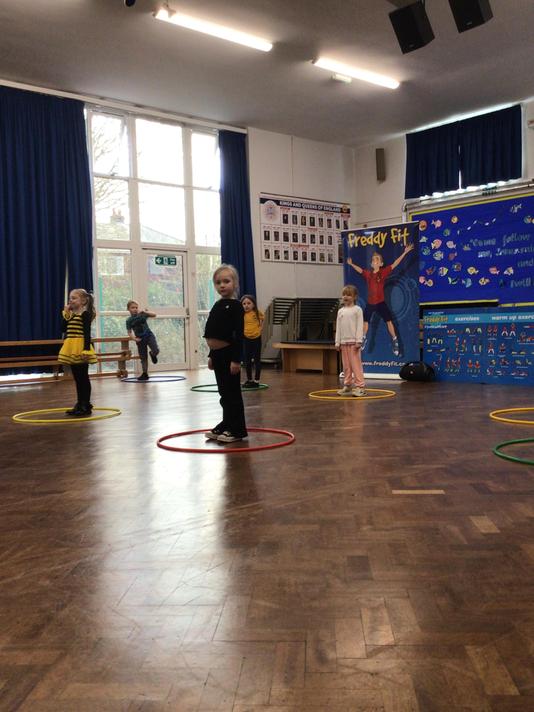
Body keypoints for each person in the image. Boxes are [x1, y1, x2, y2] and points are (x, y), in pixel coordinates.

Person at [204, 264, 248, 443]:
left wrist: (236, 360)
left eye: (226, 281)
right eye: (218, 282)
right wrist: (211, 354)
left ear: (235, 284)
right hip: (217, 355)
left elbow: (238, 334)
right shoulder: (218, 305)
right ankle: (227, 423)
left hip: (229, 354)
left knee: (232, 393)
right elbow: (213, 331)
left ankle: (237, 430)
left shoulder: (236, 306)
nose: (222, 285)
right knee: (224, 393)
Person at [347, 243, 414, 356]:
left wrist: (405, 252)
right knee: (365, 322)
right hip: (370, 303)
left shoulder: (383, 272)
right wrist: (351, 264)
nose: (375, 261)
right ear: (371, 263)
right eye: (373, 259)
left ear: (381, 264)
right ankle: (363, 338)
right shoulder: (368, 274)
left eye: (377, 259)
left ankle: (395, 340)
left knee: (389, 321)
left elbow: (395, 264)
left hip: (381, 303)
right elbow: (360, 270)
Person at [58, 289, 98, 416]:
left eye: (74, 298)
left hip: (81, 347)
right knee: (77, 378)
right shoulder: (70, 315)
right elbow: (62, 329)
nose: (71, 300)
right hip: (71, 347)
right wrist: (66, 313)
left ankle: (86, 404)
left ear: (83, 301)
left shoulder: (85, 314)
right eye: (70, 298)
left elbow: (87, 334)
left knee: (83, 377)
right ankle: (79, 403)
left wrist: (86, 349)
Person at [335, 285, 366, 397]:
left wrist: (359, 340)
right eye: (344, 295)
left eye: (348, 295)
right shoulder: (340, 311)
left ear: (354, 297)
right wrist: (337, 342)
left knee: (356, 365)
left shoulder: (357, 310)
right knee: (346, 366)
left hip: (354, 343)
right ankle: (347, 385)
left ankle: (360, 387)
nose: (345, 297)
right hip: (344, 343)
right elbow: (338, 327)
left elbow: (360, 326)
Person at [125, 300, 159, 381]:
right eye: (132, 308)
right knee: (143, 357)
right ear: (128, 309)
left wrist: (145, 312)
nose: (135, 309)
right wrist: (134, 339)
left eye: (136, 307)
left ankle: (153, 354)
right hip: (140, 339)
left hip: (148, 335)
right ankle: (145, 373)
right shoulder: (129, 320)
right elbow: (129, 332)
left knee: (156, 350)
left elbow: (154, 315)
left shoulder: (142, 314)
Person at [241, 294, 264, 389]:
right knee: (247, 360)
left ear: (253, 304)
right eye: (244, 304)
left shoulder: (257, 313)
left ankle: (256, 381)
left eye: (249, 303)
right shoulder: (242, 314)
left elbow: (262, 320)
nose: (246, 305)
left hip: (256, 338)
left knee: (257, 360)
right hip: (246, 338)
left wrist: (260, 330)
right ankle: (249, 380)